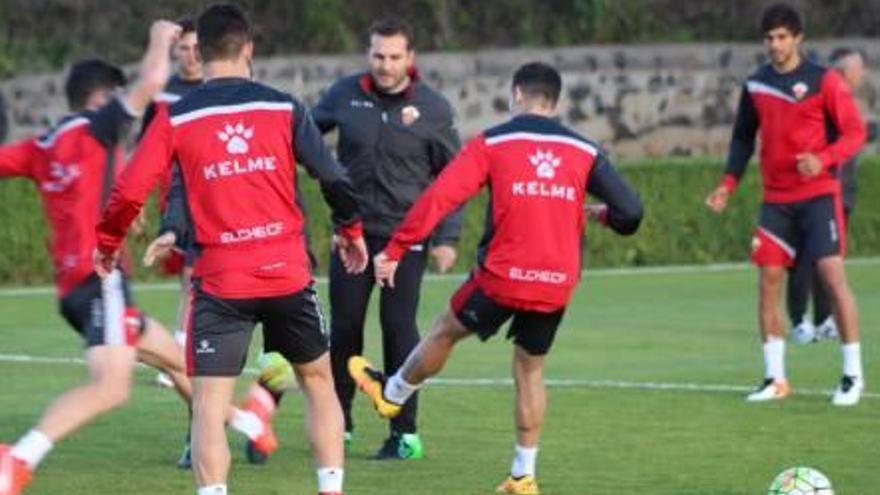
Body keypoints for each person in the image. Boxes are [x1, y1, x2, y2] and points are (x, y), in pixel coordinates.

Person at [94, 5, 368, 495]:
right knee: (319, 382)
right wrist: (351, 230)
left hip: (222, 282)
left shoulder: (178, 115)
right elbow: (331, 175)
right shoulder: (284, 107)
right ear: (249, 49)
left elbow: (130, 189)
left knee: (207, 403)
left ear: (198, 52)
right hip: (286, 273)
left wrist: (108, 243)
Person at [349, 62, 643, 494]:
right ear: (555, 101)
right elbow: (632, 212)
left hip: (503, 275)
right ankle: (523, 475)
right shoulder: (584, 150)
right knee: (529, 368)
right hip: (555, 282)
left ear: (517, 95)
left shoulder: (495, 142)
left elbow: (439, 197)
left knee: (445, 330)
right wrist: (607, 217)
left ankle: (391, 393)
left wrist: (394, 249)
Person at [0, 21, 203, 495]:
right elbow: (152, 82)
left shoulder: (41, 146)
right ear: (103, 97)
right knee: (113, 386)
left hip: (71, 291)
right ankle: (17, 459)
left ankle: (247, 425)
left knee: (182, 362)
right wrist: (158, 36)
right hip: (102, 279)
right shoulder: (99, 127)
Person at [307, 16, 462, 460]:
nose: (386, 65)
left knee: (398, 328)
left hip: (404, 239)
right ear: (368, 54)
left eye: (395, 56)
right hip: (351, 235)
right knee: (345, 327)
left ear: (410, 58)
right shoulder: (343, 95)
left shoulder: (433, 109)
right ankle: (341, 422)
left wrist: (447, 236)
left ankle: (404, 433)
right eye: (378, 55)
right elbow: (304, 137)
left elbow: (455, 177)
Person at [705, 3, 866, 406]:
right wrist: (727, 184)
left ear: (798, 39)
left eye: (782, 37)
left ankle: (852, 375)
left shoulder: (823, 80)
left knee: (831, 275)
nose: (775, 45)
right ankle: (775, 378)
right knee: (768, 283)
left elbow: (854, 132)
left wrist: (824, 160)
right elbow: (742, 139)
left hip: (818, 197)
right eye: (769, 38)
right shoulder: (756, 85)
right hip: (776, 201)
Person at [787, 47, 866, 344]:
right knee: (805, 258)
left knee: (829, 262)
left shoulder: (845, 103)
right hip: (815, 194)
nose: (863, 74)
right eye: (859, 68)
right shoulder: (820, 99)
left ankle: (823, 319)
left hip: (841, 195)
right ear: (845, 71)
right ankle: (798, 321)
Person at [142, 15, 205, 390]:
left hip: (211, 193)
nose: (191, 55)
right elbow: (147, 149)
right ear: (175, 50)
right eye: (184, 47)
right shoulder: (163, 94)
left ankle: (180, 357)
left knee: (194, 278)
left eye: (198, 48)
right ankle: (180, 355)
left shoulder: (218, 88)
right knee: (190, 281)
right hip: (177, 199)